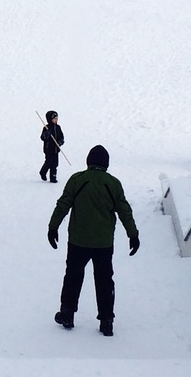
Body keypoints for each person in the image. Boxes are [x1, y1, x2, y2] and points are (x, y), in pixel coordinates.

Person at [47, 143, 139, 336]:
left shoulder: (77, 180)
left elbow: (63, 204)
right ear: (106, 163)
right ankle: (106, 321)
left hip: (78, 241)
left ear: (89, 161)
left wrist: (53, 227)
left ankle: (67, 314)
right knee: (104, 280)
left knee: (73, 276)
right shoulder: (113, 183)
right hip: (103, 243)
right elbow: (124, 210)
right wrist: (133, 235)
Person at [39, 110, 65, 183]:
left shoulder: (58, 127)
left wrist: (60, 142)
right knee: (49, 162)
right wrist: (47, 134)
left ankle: (53, 176)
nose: (56, 120)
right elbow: (42, 138)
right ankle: (43, 172)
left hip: (56, 149)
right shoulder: (46, 128)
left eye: (57, 119)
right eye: (54, 119)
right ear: (50, 119)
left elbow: (61, 136)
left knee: (55, 163)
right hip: (48, 149)